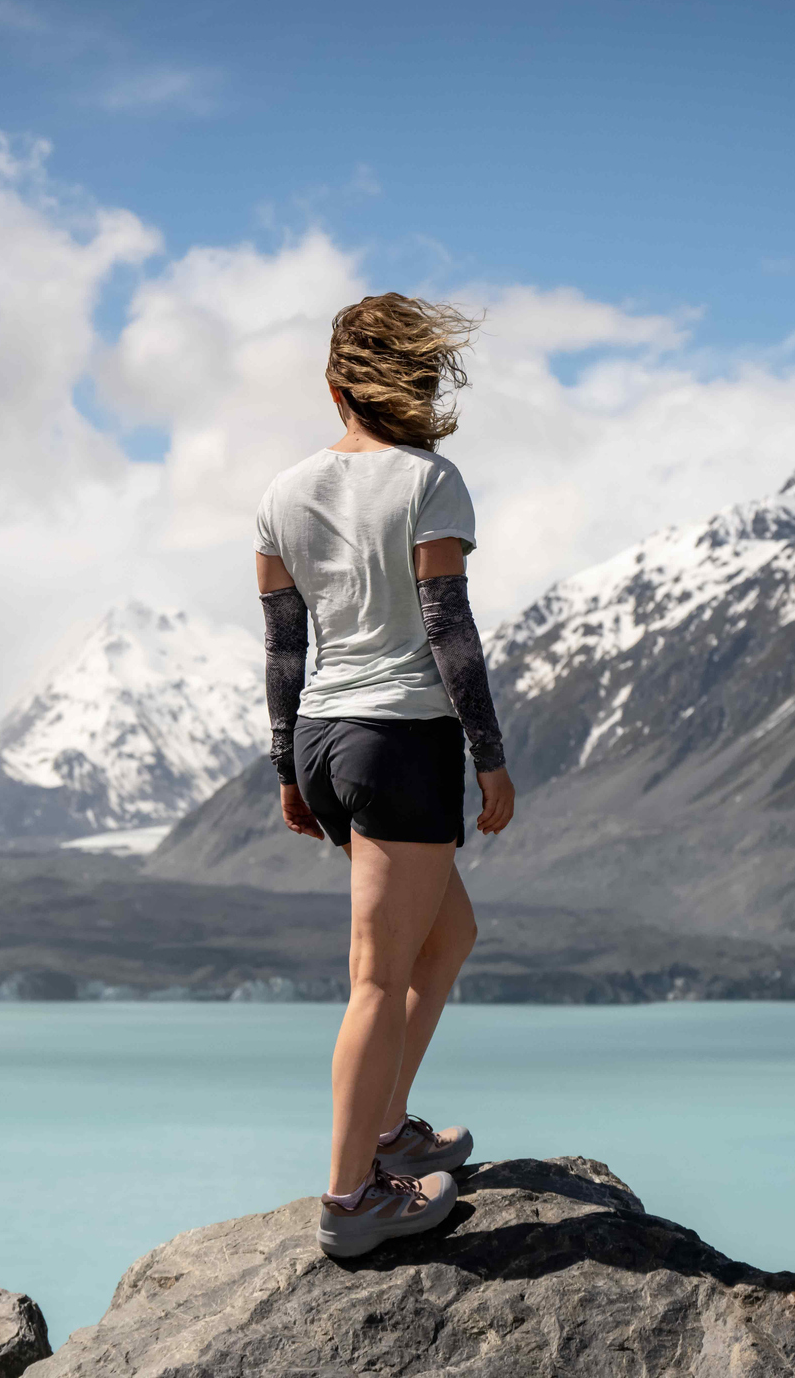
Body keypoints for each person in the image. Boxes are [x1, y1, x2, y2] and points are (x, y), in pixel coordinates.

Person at [252, 292, 516, 1259]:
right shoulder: (429, 482)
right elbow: (448, 629)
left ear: (335, 389)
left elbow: (285, 649)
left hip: (325, 736)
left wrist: (287, 765)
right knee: (376, 978)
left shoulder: (282, 494)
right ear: (411, 386)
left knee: (450, 933)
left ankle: (388, 1125)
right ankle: (351, 1200)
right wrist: (489, 758)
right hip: (400, 739)